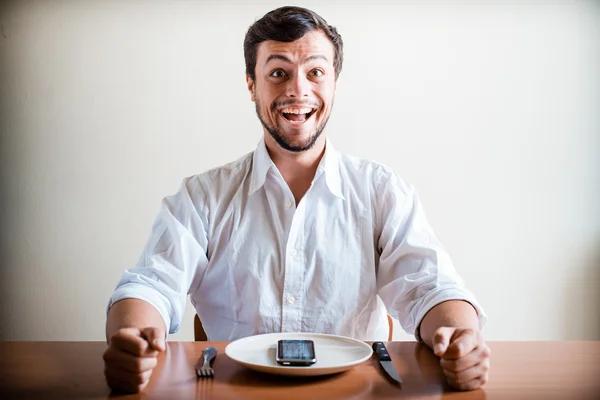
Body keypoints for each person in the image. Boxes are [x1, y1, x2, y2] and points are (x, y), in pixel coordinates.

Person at [103, 6, 490, 394]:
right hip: (234, 391)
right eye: (278, 73)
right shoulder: (202, 197)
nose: (298, 90)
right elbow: (150, 286)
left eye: (315, 72)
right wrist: (132, 340)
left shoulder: (382, 191)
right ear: (252, 85)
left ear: (335, 82)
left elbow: (431, 287)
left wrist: (460, 338)